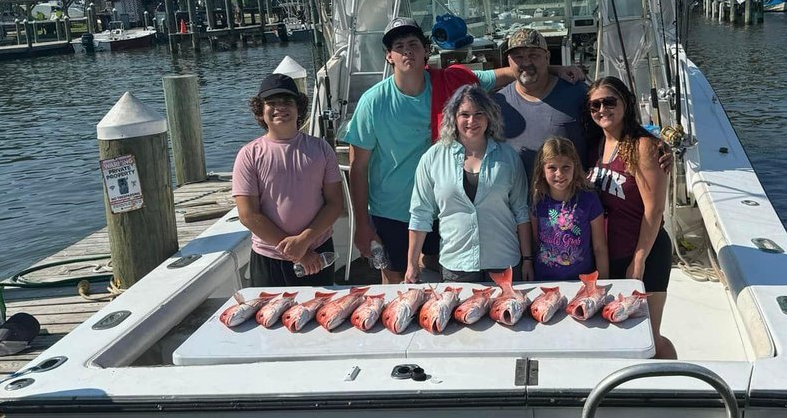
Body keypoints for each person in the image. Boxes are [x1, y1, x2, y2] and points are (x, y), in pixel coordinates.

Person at [343, 17, 579, 283]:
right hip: (393, 212)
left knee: (439, 271)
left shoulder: (450, 82)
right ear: (389, 56)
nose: (407, 51)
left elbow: (505, 73)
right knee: (397, 284)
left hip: (445, 207)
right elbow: (358, 166)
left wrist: (552, 68)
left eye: (413, 44)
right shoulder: (372, 102)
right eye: (399, 46)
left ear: (426, 51)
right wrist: (362, 223)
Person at [581, 75, 676, 359]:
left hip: (644, 254)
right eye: (595, 105)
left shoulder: (644, 147)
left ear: (626, 103)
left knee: (649, 338)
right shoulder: (595, 146)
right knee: (616, 335)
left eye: (609, 102)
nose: (602, 109)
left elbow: (654, 210)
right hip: (607, 255)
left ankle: (675, 385)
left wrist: (639, 260)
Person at [406, 84, 531, 283]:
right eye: (464, 114)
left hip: (504, 263)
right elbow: (420, 214)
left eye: (479, 113)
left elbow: (521, 211)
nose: (471, 121)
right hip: (457, 265)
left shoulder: (509, 157)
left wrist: (527, 260)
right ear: (453, 117)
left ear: (489, 117)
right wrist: (412, 264)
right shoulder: (433, 158)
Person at [232, 73, 344, 287]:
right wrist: (296, 252)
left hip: (317, 253)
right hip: (269, 258)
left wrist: (304, 241)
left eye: (286, 102)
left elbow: (335, 203)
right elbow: (248, 215)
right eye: (271, 103)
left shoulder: (321, 149)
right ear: (260, 110)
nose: (279, 108)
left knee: (321, 317)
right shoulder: (248, 155)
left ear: (298, 108)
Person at [494, 27, 590, 176]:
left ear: (547, 57)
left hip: (572, 197)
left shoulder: (579, 93)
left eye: (533, 55)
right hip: (520, 198)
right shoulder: (497, 104)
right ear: (509, 61)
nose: (526, 62)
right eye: (518, 57)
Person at [531, 136, 608, 281]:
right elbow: (536, 242)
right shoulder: (537, 201)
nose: (559, 174)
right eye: (552, 168)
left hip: (582, 282)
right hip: (544, 282)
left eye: (566, 167)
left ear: (575, 167)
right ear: (542, 170)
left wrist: (603, 282)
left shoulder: (589, 200)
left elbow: (599, 248)